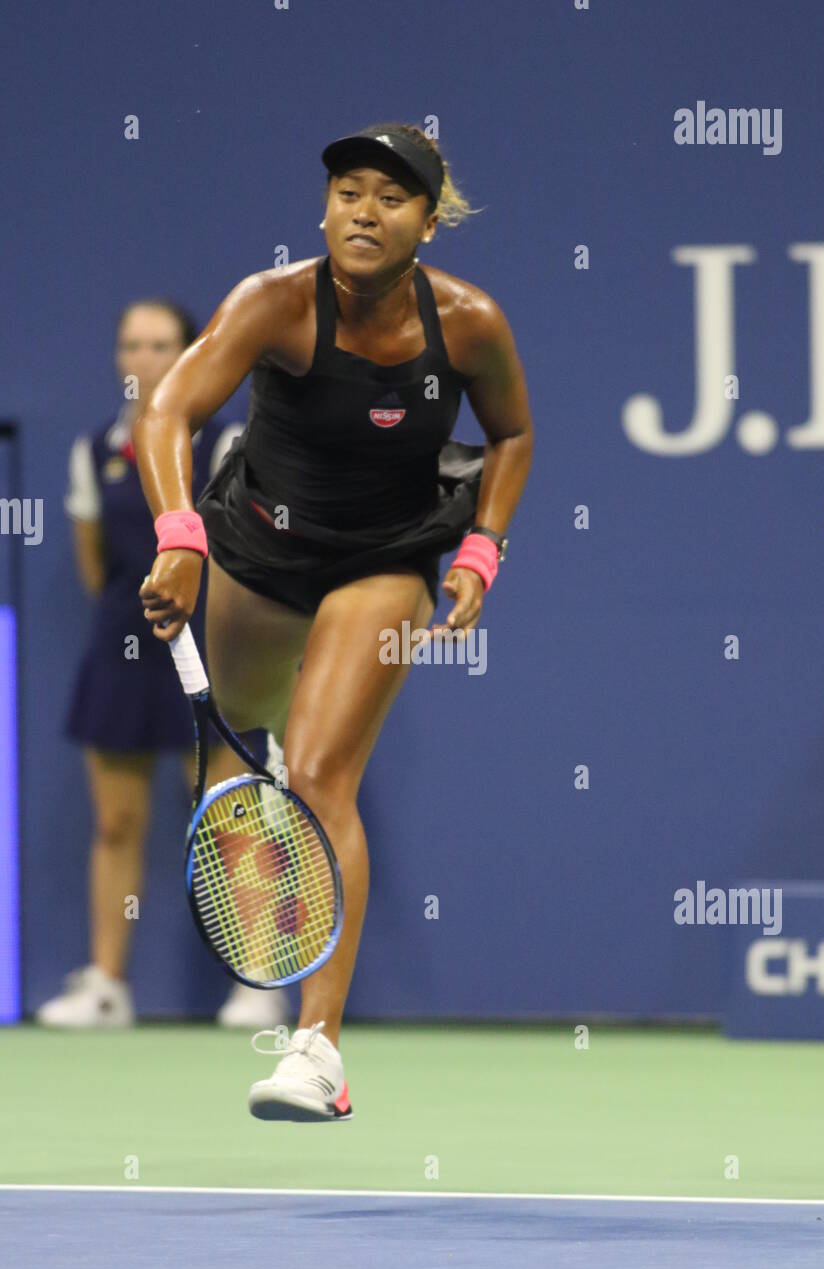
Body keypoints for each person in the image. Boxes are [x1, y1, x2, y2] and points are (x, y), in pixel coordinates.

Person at [134, 122, 533, 1120]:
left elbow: (514, 431)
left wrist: (482, 546)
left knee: (317, 778)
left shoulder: (470, 324)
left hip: (383, 560)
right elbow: (166, 411)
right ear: (324, 209)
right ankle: (260, 818)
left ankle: (315, 1047)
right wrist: (180, 538)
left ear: (426, 224)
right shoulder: (271, 304)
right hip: (254, 552)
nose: (364, 208)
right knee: (229, 768)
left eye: (391, 197)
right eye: (348, 190)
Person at [38, 298, 288, 1030]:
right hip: (125, 648)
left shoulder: (227, 443)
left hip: (212, 647)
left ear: (188, 353)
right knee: (116, 822)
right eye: (132, 344)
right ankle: (108, 987)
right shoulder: (93, 450)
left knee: (228, 816)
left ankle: (259, 982)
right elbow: (96, 567)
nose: (143, 358)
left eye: (160, 344)